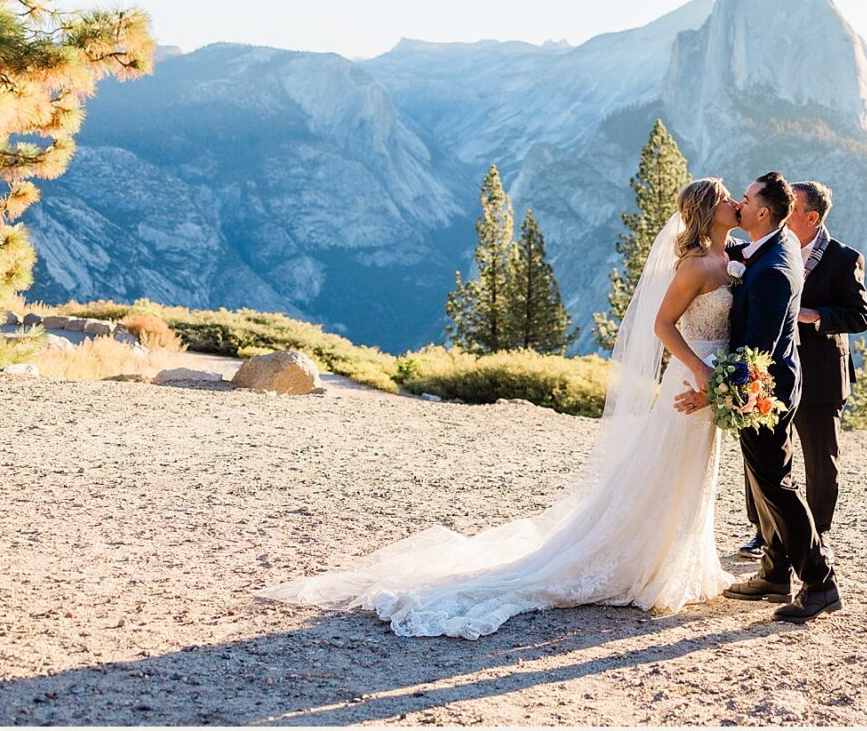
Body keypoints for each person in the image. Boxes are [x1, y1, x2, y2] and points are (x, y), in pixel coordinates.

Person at [253, 178, 741, 638]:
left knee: (694, 470)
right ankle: (644, 561)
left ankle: (682, 559)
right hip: (691, 378)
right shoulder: (695, 265)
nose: (734, 201)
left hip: (715, 381)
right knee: (667, 467)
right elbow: (661, 325)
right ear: (706, 210)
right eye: (724, 197)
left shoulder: (730, 257)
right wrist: (700, 369)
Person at [681, 171, 841, 622]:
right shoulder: (777, 242)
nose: (739, 202)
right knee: (763, 480)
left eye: (747, 200)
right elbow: (739, 254)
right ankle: (774, 573)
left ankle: (820, 582)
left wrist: (712, 393)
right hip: (778, 383)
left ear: (763, 212)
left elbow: (757, 353)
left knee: (775, 485)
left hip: (763, 391)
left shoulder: (771, 272)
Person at [734, 180, 867, 563]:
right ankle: (764, 532)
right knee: (766, 454)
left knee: (821, 459)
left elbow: (860, 317)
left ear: (811, 217)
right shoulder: (768, 249)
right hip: (775, 371)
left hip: (821, 374)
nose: (783, 211)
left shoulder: (845, 258)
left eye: (791, 207)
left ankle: (818, 533)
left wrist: (815, 315)